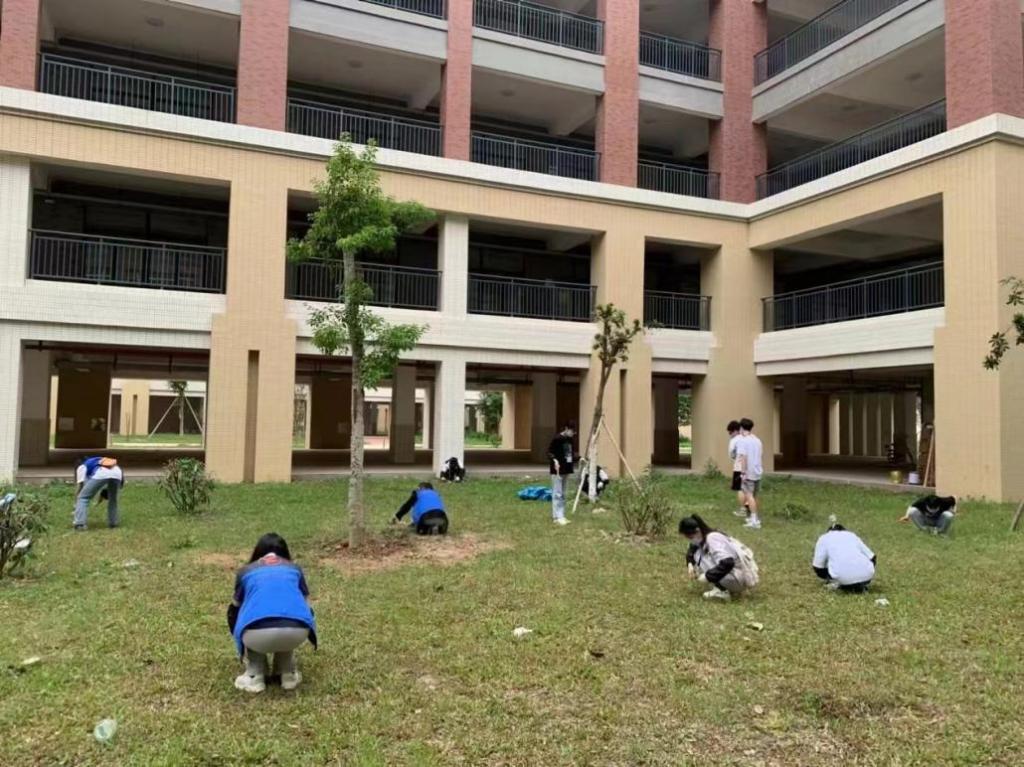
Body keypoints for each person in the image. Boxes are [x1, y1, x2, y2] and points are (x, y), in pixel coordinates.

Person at [229, 533, 317, 693]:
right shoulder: (295, 569)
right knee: (288, 614)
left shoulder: (245, 571)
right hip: (297, 632)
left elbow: (235, 609)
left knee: (249, 615)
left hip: (255, 634)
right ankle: (287, 672)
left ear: (257, 551)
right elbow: (305, 605)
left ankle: (255, 675)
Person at [679, 514, 759, 601]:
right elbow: (692, 548)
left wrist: (707, 576)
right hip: (740, 574)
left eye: (690, 537)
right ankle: (723, 587)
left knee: (698, 555)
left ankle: (722, 590)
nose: (690, 540)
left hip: (739, 577)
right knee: (697, 552)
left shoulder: (712, 539)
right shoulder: (709, 535)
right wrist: (690, 564)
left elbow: (728, 562)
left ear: (697, 530)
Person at [813, 520, 876, 593]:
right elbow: (873, 557)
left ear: (828, 531)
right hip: (867, 575)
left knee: (833, 567)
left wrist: (830, 576)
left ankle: (842, 583)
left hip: (840, 577)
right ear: (844, 530)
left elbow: (817, 567)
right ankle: (858, 583)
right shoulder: (851, 535)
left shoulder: (823, 538)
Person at [73, 456, 124, 530]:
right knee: (113, 499)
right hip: (117, 472)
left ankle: (79, 524)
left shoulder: (82, 466)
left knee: (83, 498)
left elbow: (80, 486)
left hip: (102, 473)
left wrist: (76, 504)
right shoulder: (96, 460)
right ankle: (113, 523)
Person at [735, 418, 763, 530]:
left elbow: (743, 457)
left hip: (748, 472)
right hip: (757, 471)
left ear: (741, 428)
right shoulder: (757, 440)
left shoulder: (743, 441)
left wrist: (743, 472)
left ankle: (754, 520)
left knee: (749, 495)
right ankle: (754, 518)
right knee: (754, 496)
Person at [547, 422, 576, 526]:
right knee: (557, 493)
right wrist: (554, 460)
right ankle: (556, 517)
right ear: (566, 428)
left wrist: (579, 458)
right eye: (572, 431)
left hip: (566, 469)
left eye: (574, 432)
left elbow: (570, 454)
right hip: (557, 470)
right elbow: (549, 452)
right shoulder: (557, 439)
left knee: (563, 493)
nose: (573, 433)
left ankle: (561, 515)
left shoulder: (570, 440)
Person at [727, 420, 748, 519]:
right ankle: (749, 506)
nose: (730, 435)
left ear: (735, 430)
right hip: (750, 467)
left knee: (740, 489)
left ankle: (743, 510)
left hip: (739, 467)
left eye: (730, 432)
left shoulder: (734, 440)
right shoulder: (748, 438)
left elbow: (732, 454)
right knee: (749, 489)